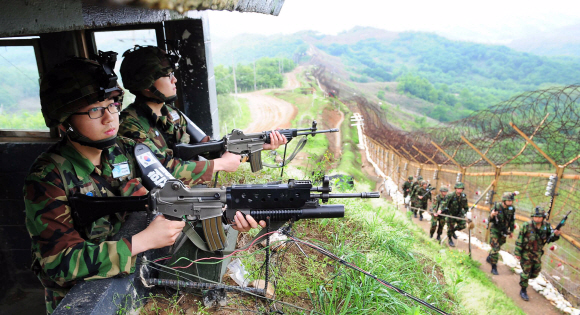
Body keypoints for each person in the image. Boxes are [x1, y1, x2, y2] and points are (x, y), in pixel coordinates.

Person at [24, 56, 261, 314]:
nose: (109, 118)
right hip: (82, 300)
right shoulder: (48, 177)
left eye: (112, 105)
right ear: (64, 119)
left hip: (135, 279)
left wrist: (223, 212)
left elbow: (174, 189)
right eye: (95, 110)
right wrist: (141, 241)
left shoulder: (125, 149)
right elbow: (58, 264)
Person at [118, 45, 287, 186]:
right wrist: (219, 165)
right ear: (146, 84)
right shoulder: (129, 125)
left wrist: (254, 145)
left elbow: (207, 148)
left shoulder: (172, 114)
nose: (174, 80)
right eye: (167, 75)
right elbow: (161, 174)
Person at [514, 207, 561, 301]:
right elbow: (520, 239)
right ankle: (523, 290)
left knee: (535, 272)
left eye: (539, 217)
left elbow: (550, 239)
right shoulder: (526, 225)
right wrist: (517, 253)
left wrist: (556, 235)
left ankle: (524, 277)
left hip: (537, 253)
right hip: (526, 253)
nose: (537, 219)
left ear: (543, 217)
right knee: (526, 272)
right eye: (535, 217)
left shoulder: (546, 226)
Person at [486, 192, 516, 275]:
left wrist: (511, 231)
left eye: (511, 201)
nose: (510, 202)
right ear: (504, 200)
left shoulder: (512, 209)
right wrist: (492, 215)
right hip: (495, 229)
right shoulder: (497, 207)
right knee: (495, 248)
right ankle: (494, 267)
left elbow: (512, 220)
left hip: (504, 230)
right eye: (509, 201)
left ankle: (490, 256)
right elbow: (490, 219)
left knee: (499, 245)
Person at [441, 182, 469, 247]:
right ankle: (450, 239)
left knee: (462, 225)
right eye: (458, 188)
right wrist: (440, 210)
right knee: (450, 227)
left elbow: (466, 207)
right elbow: (444, 203)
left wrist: (465, 213)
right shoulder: (450, 195)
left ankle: (453, 231)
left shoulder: (463, 196)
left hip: (459, 214)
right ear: (455, 189)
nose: (459, 190)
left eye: (461, 189)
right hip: (450, 214)